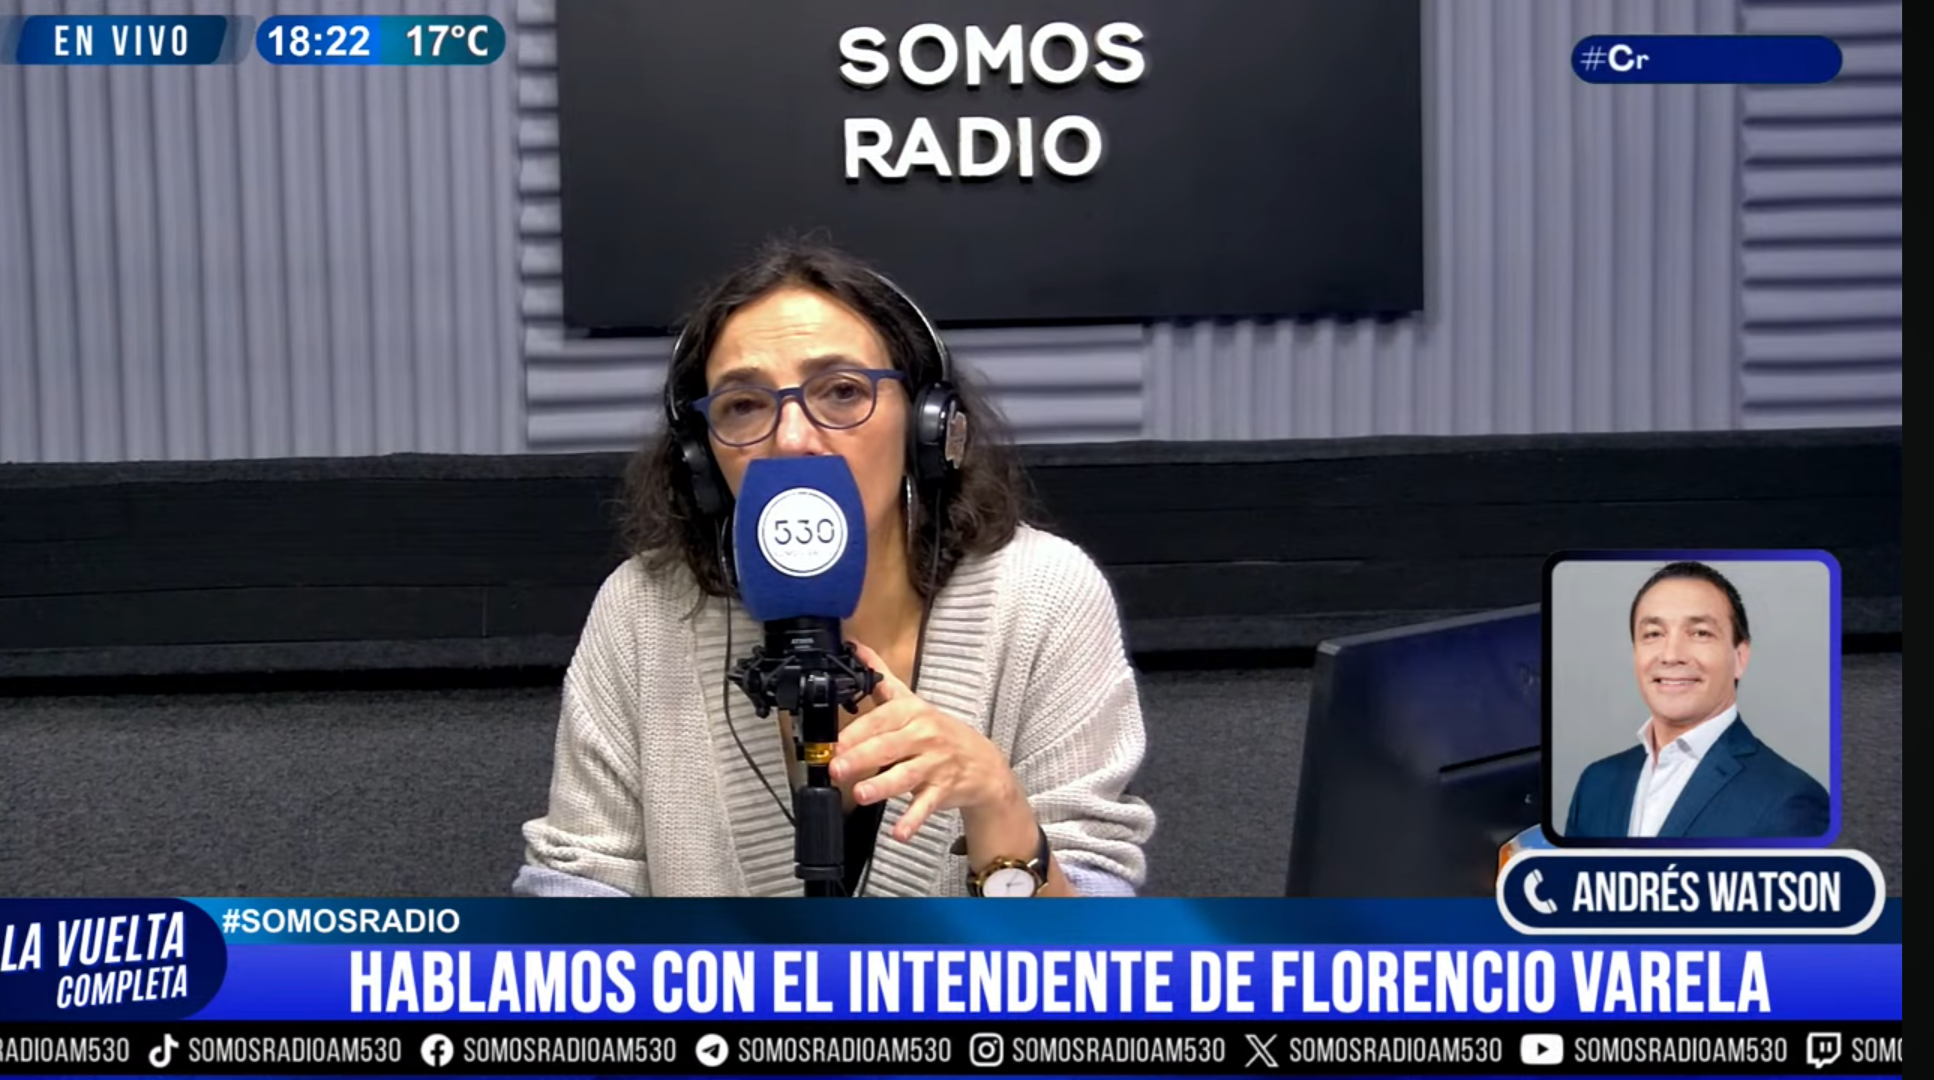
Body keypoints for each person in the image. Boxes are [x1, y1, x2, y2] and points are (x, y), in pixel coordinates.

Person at [515, 238, 1155, 897]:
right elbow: (575, 895)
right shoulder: (645, 609)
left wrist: (998, 806)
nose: (793, 438)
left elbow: (1095, 946)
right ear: (701, 460)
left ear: (928, 428)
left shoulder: (1044, 596)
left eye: (843, 392)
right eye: (744, 404)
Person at [1564, 561, 1829, 839]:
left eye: (1700, 633)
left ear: (1740, 657)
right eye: (1653, 634)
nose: (1671, 655)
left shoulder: (1790, 801)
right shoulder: (1596, 784)